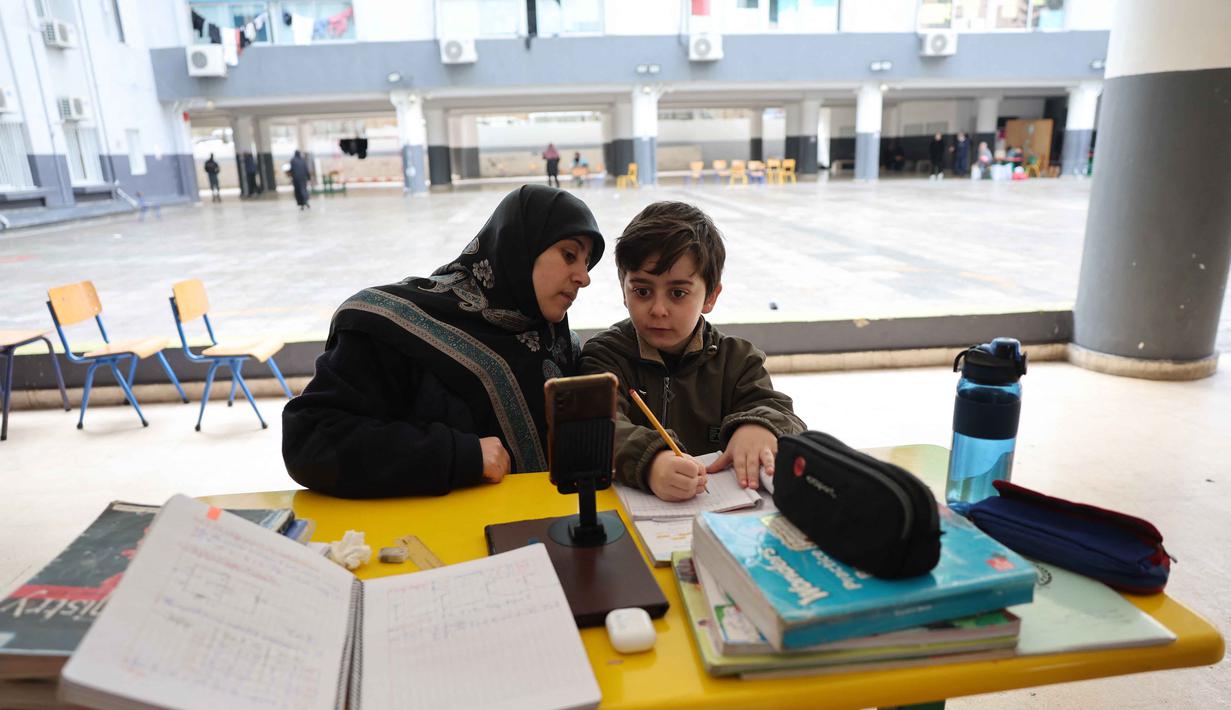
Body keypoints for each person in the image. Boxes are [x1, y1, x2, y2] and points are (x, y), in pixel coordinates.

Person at [282, 185, 605, 498]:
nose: (584, 277)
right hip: (437, 545)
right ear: (519, 247)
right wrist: (460, 455)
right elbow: (310, 440)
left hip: (541, 539)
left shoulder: (559, 345)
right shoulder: (394, 327)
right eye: (569, 255)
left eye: (586, 263)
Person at [579, 201, 806, 502]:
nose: (658, 309)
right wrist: (651, 463)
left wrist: (759, 427)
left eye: (678, 293)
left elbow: (778, 411)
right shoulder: (605, 355)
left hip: (722, 518)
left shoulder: (738, 360)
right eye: (642, 291)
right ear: (624, 291)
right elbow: (596, 425)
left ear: (711, 296)